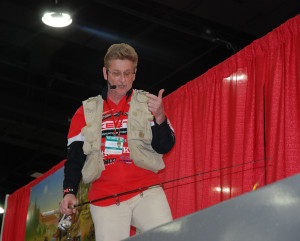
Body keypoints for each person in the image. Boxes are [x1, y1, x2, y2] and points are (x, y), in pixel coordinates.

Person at [60, 43, 175, 241]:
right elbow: (75, 158)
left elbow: (164, 147)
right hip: (105, 198)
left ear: (134, 74)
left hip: (146, 191)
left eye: (127, 74)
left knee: (166, 237)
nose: (122, 80)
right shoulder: (85, 111)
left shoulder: (149, 103)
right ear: (105, 73)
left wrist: (160, 118)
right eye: (116, 73)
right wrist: (69, 191)